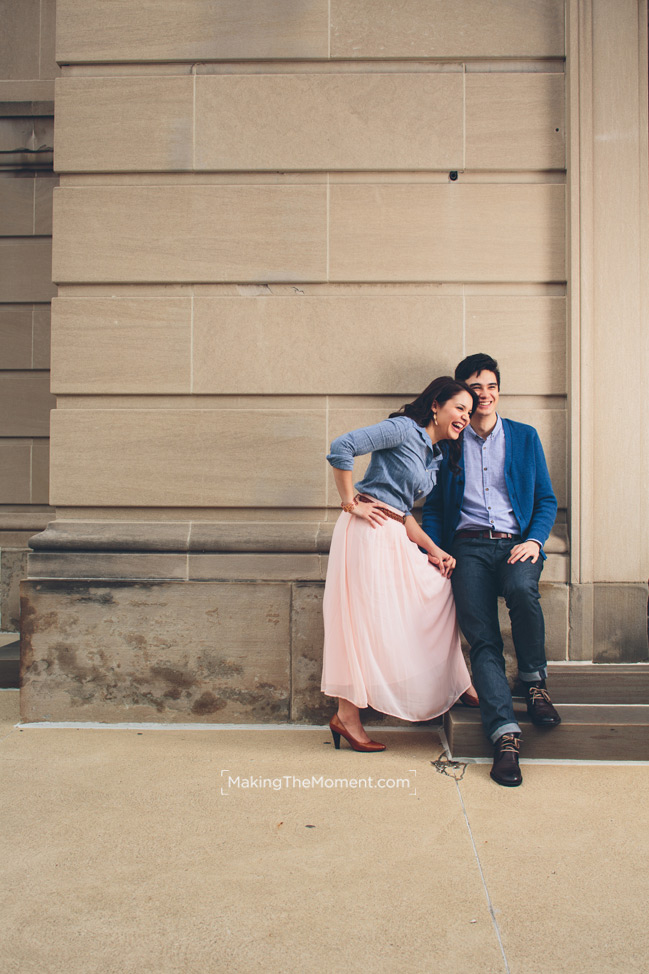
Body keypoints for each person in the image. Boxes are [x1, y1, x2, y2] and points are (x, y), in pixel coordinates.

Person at [422, 353, 561, 787]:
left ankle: (535, 683)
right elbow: (435, 508)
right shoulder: (448, 444)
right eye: (474, 388)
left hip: (516, 544)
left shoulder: (523, 437)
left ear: (499, 390)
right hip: (468, 548)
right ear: (461, 394)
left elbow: (546, 500)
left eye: (490, 386)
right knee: (482, 637)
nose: (483, 395)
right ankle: (504, 736)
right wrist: (436, 551)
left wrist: (534, 540)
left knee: (523, 591)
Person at [321, 376, 479, 753]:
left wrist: (433, 549)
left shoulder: (435, 454)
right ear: (437, 405)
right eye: (460, 408)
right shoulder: (402, 429)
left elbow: (403, 511)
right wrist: (350, 502)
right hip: (368, 532)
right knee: (362, 621)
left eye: (470, 414)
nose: (465, 418)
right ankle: (347, 717)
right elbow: (342, 446)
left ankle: (458, 681)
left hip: (392, 531)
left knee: (439, 589)